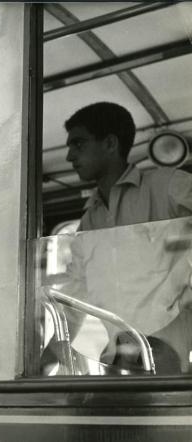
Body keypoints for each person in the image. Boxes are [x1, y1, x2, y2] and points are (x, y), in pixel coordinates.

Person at [61, 101, 192, 373]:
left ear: (110, 143)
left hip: (174, 362)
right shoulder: (89, 220)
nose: (69, 157)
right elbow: (76, 292)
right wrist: (52, 349)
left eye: (79, 144)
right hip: (116, 362)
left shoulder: (167, 186)